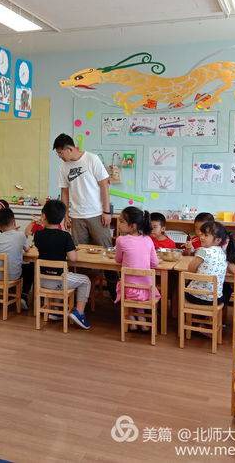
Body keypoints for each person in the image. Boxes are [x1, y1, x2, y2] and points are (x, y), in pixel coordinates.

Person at [53, 134, 115, 298]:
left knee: (107, 253)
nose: (59, 156)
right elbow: (64, 192)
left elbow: (104, 186)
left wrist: (106, 211)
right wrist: (65, 215)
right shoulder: (63, 166)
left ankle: (114, 293)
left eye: (60, 153)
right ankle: (83, 298)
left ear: (69, 149)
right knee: (79, 258)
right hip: (76, 216)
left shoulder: (91, 159)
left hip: (97, 214)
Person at [33, 200, 92, 330]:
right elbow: (73, 258)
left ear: (44, 216)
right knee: (85, 281)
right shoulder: (65, 236)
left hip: (42, 280)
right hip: (59, 281)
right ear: (61, 219)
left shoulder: (38, 235)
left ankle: (55, 311)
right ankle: (79, 313)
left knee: (63, 276)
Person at [114, 207, 159, 306]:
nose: (118, 224)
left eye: (121, 221)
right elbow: (155, 263)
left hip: (129, 291)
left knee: (121, 282)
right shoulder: (148, 239)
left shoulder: (120, 240)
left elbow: (118, 260)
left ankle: (133, 315)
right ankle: (140, 314)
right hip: (148, 291)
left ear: (133, 226)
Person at [186, 221, 235, 305]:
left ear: (218, 240)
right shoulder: (223, 253)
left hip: (196, 297)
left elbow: (190, 270)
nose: (201, 237)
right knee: (227, 289)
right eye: (201, 234)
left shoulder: (203, 251)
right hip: (216, 299)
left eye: (206, 235)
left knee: (183, 286)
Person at [0, 207, 30, 282]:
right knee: (28, 267)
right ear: (14, 221)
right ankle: (22, 289)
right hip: (14, 276)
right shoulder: (21, 235)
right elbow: (27, 249)